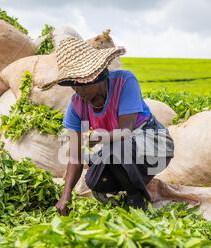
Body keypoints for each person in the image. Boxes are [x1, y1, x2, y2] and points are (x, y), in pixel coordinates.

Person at [39, 37, 174, 215]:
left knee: (115, 146)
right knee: (94, 180)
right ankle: (130, 187)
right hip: (122, 151)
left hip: (155, 147)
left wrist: (100, 138)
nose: (78, 91)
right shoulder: (77, 105)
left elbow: (125, 131)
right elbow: (75, 156)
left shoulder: (124, 82)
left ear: (97, 75)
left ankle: (136, 197)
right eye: (73, 85)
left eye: (82, 84)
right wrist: (66, 194)